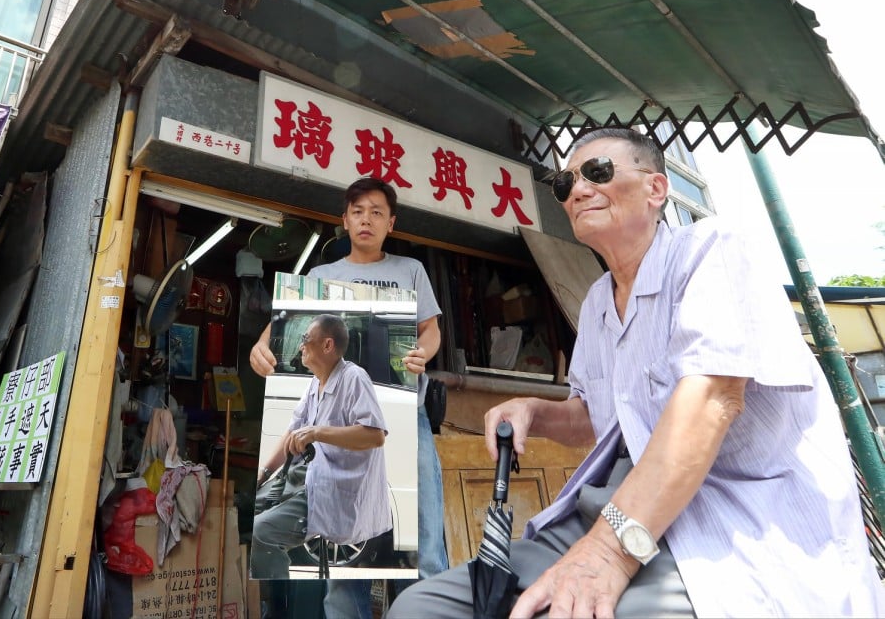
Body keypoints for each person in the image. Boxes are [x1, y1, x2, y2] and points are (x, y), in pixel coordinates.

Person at [389, 127, 885, 618]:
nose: (578, 190)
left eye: (598, 172)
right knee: (421, 606)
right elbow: (594, 418)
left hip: (731, 513)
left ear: (656, 189)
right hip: (612, 507)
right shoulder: (598, 303)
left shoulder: (711, 249)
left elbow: (712, 400)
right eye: (564, 185)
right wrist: (534, 410)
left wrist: (607, 554)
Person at [250, 177, 446, 617]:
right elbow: (282, 326)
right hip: (340, 439)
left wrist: (422, 353)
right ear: (344, 220)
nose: (367, 219)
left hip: (405, 416)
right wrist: (261, 347)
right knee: (342, 569)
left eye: (377, 212)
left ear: (391, 222)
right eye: (358, 211)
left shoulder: (409, 270)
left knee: (423, 541)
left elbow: (430, 329)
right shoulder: (322, 277)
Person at [251, 314, 392, 579]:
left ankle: (279, 602)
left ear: (327, 345)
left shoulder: (354, 378)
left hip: (333, 492)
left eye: (305, 339)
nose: (301, 346)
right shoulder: (315, 383)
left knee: (262, 531)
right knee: (250, 508)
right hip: (309, 481)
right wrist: (265, 473)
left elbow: (375, 436)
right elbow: (293, 430)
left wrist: (317, 432)